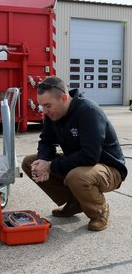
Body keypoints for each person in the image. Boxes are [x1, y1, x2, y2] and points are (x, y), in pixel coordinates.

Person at [22, 76, 127, 231]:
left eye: (47, 105)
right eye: (41, 106)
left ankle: (99, 211)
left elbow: (89, 156)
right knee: (31, 162)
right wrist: (43, 161)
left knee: (77, 176)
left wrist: (51, 166)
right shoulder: (53, 114)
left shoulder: (88, 112)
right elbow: (46, 141)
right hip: (81, 164)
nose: (44, 110)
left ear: (63, 98)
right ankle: (76, 202)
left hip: (109, 168)